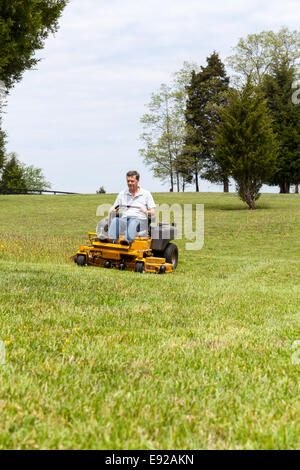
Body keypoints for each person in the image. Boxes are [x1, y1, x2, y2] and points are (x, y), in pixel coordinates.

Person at [107, 171, 156, 245]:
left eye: (132, 181)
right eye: (128, 181)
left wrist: (145, 211)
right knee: (116, 220)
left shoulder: (146, 194)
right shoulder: (122, 194)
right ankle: (111, 241)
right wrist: (112, 210)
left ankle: (127, 241)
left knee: (133, 221)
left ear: (138, 181)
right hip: (125, 219)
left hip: (140, 221)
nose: (129, 183)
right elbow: (114, 207)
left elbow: (152, 212)